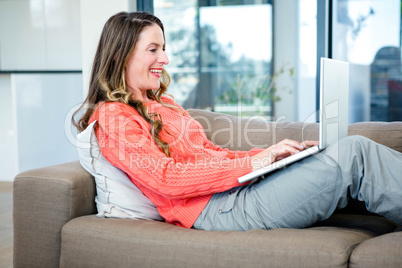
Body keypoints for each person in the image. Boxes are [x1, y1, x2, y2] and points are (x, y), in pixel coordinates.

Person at [73, 11, 402, 231]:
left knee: (348, 149)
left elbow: (213, 155)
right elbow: (165, 178)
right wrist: (256, 162)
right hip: (218, 210)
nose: (165, 59)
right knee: (353, 155)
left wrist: (270, 156)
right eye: (153, 49)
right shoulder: (113, 118)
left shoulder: (165, 105)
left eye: (164, 48)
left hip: (236, 193)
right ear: (120, 55)